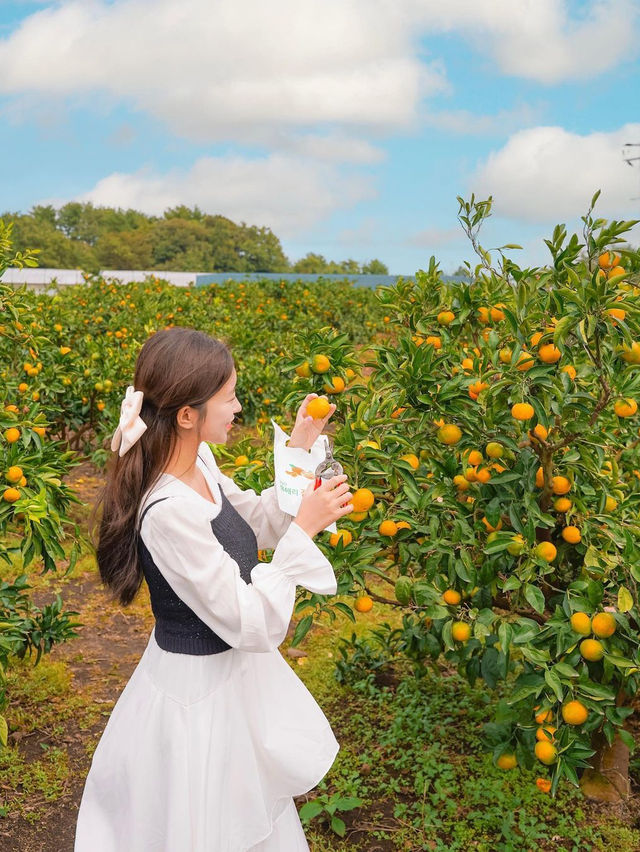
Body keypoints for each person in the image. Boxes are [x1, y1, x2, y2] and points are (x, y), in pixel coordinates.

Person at [74, 326, 354, 851]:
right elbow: (248, 621)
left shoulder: (198, 462)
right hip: (195, 698)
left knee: (241, 814)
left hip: (229, 682)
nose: (238, 407)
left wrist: (299, 448)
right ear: (188, 414)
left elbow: (254, 523)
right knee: (204, 820)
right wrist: (305, 531)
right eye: (228, 398)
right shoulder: (167, 512)